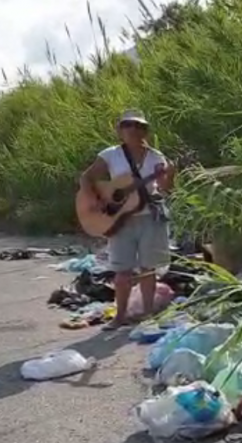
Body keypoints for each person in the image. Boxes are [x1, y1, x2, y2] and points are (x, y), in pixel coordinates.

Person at [79, 109, 175, 330]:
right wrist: (93, 198)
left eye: (139, 126)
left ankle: (148, 315)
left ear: (146, 131)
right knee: (122, 271)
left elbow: (165, 189)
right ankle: (119, 316)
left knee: (148, 268)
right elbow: (87, 177)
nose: (134, 129)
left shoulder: (156, 157)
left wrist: (170, 175)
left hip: (149, 216)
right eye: (128, 125)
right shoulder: (111, 155)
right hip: (120, 219)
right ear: (120, 130)